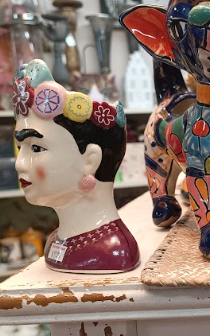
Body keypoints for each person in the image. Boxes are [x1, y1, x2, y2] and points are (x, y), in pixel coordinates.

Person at [12, 59, 140, 273]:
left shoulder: (115, 250)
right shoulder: (58, 240)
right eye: (19, 148)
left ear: (90, 161)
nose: (19, 163)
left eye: (36, 148)